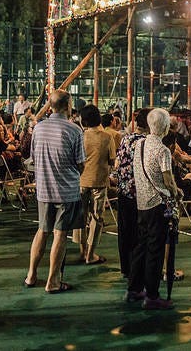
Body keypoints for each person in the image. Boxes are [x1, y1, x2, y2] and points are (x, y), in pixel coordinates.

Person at [24, 90, 85, 293]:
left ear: (50, 107)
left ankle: (31, 275)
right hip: (66, 191)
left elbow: (33, 157)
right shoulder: (74, 130)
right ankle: (53, 281)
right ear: (68, 106)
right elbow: (80, 164)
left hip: (43, 188)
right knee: (60, 234)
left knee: (42, 230)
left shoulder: (39, 128)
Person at [127, 108, 181, 310]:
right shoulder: (163, 150)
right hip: (158, 204)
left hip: (142, 203)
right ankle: (152, 295)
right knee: (155, 250)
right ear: (165, 127)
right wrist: (176, 193)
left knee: (141, 246)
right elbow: (168, 181)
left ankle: (134, 288)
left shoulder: (139, 144)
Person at [77, 104, 115, 265]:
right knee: (97, 218)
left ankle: (82, 250)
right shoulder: (107, 137)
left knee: (81, 217)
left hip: (80, 181)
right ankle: (91, 253)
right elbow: (112, 160)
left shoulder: (80, 136)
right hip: (99, 181)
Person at [115, 108, 150, 279]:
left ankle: (126, 268)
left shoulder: (125, 139)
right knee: (140, 233)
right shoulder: (147, 142)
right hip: (140, 194)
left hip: (123, 191)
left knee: (125, 231)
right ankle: (138, 270)